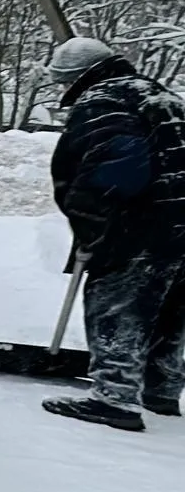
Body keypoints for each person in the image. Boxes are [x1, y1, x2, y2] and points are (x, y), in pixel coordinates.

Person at [43, 37, 185, 432]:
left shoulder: (103, 101)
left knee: (119, 305)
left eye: (63, 82)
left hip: (139, 225)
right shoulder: (159, 95)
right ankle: (161, 391)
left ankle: (115, 399)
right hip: (179, 219)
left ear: (77, 77)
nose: (62, 90)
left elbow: (120, 163)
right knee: (170, 309)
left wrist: (91, 218)